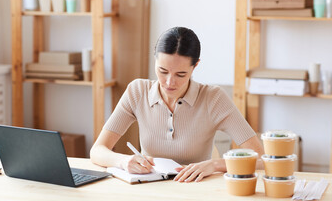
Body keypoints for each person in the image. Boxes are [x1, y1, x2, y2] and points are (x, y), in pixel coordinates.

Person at [90, 27, 264, 182]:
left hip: (196, 191)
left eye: (181, 74)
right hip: (149, 190)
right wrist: (123, 161)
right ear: (155, 60)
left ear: (195, 66)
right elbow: (97, 150)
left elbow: (263, 159)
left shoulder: (213, 98)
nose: (169, 82)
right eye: (162, 71)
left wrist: (215, 165)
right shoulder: (137, 91)